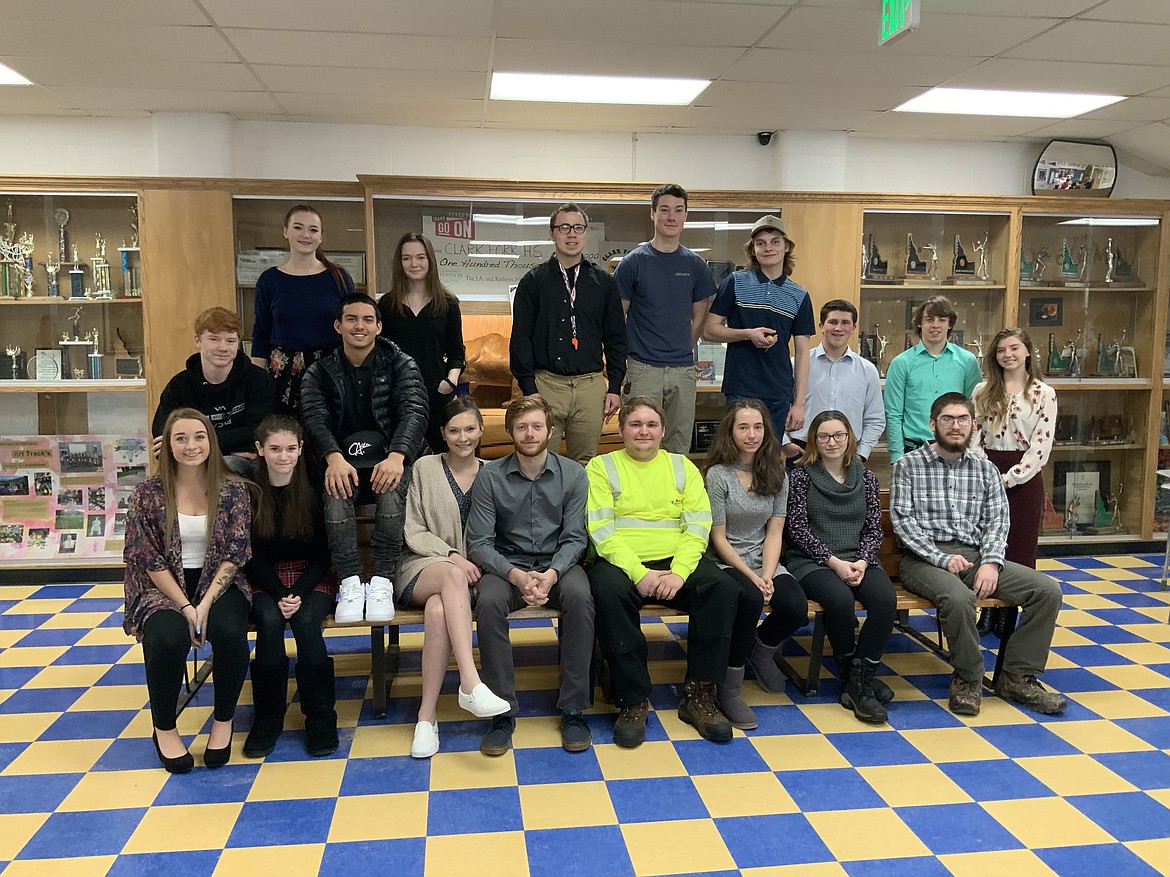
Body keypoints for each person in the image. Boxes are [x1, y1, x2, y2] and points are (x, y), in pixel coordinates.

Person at [587, 396, 754, 748]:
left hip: (676, 560)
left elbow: (698, 526)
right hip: (622, 563)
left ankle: (700, 695)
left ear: (663, 430)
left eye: (651, 425)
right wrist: (639, 573)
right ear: (621, 429)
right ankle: (632, 700)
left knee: (722, 589)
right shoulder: (601, 467)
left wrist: (679, 572)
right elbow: (601, 530)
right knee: (606, 591)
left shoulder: (683, 467)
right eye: (635, 424)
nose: (643, 431)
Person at [891, 392, 1067, 717]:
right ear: (933, 424)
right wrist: (941, 558)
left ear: (974, 425)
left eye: (962, 419)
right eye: (947, 419)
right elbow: (904, 523)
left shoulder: (985, 470)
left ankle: (1016, 677)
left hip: (974, 556)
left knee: (1046, 591)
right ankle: (969, 677)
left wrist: (991, 562)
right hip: (923, 560)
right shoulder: (908, 466)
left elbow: (998, 520)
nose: (955, 426)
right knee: (958, 598)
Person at [122, 408, 251, 773]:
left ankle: (223, 721)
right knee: (167, 636)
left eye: (198, 437)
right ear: (167, 445)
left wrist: (204, 604)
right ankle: (164, 727)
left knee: (230, 631)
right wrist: (185, 607)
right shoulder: (146, 494)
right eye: (180, 438)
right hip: (161, 586)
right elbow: (147, 558)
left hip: (218, 583)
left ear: (211, 441)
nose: (191, 445)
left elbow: (236, 553)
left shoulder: (234, 491)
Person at [467, 397, 594, 755]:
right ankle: (501, 710)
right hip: (507, 564)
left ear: (550, 431)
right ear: (510, 431)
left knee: (581, 598)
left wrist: (551, 574)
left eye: (537, 426)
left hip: (559, 564)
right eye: (521, 427)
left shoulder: (574, 474)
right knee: (488, 602)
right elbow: (479, 542)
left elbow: (575, 538)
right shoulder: (490, 476)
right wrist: (516, 576)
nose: (529, 433)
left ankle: (573, 708)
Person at [300, 293, 429, 625]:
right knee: (335, 493)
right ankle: (350, 582)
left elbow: (415, 412)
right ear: (338, 325)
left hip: (390, 459)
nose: (360, 326)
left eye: (367, 320)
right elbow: (313, 418)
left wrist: (398, 455)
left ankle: (383, 580)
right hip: (342, 463)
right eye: (352, 319)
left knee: (391, 493)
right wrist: (332, 457)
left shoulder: (401, 363)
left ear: (378, 326)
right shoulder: (319, 371)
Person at [396, 396, 509, 759]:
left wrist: (478, 562)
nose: (464, 437)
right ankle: (470, 681)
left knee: (437, 611)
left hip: (475, 574)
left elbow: (503, 532)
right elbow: (413, 528)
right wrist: (453, 556)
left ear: (481, 430)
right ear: (443, 434)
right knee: (451, 577)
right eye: (455, 430)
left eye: (470, 429)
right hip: (423, 564)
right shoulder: (424, 468)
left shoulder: (494, 472)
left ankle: (426, 718)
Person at [701, 400, 809, 728]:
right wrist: (752, 577)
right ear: (730, 432)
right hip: (726, 559)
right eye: (743, 427)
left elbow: (775, 532)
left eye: (758, 427)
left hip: (763, 559)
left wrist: (767, 575)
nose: (752, 434)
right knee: (748, 600)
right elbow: (718, 537)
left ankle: (760, 651)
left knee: (795, 606)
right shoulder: (718, 475)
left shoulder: (776, 472)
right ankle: (730, 688)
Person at [786, 410, 897, 724]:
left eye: (838, 435)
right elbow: (797, 529)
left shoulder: (866, 477)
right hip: (812, 562)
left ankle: (857, 680)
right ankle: (857, 682)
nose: (831, 442)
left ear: (850, 438)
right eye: (823, 436)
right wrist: (834, 563)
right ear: (814, 441)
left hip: (859, 559)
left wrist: (861, 560)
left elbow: (873, 528)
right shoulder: (801, 477)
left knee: (885, 600)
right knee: (839, 600)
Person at [242, 415, 339, 760]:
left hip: (310, 577)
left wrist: (297, 591)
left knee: (306, 621)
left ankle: (321, 718)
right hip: (264, 578)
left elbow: (324, 554)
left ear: (300, 449)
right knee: (269, 622)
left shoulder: (313, 487)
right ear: (260, 449)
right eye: (275, 449)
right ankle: (267, 719)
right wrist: (280, 594)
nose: (283, 456)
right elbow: (249, 555)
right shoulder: (249, 491)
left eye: (290, 448)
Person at [510, 203, 629, 464]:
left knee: (585, 465)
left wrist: (615, 387)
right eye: (564, 227)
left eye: (578, 228)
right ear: (552, 233)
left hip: (590, 387)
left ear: (586, 233)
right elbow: (521, 339)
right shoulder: (533, 282)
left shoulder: (604, 283)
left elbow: (616, 339)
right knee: (539, 461)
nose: (571, 234)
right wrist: (529, 389)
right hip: (546, 385)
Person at [614, 183, 715, 454]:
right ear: (653, 213)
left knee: (678, 446)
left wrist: (681, 347)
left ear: (686, 215)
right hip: (642, 369)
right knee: (640, 444)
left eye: (678, 210)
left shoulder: (696, 266)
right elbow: (617, 319)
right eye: (665, 210)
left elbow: (700, 317)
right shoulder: (633, 263)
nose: (672, 217)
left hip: (683, 370)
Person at [973, 328, 1057, 635]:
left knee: (1019, 546)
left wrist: (1010, 478)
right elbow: (974, 436)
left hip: (1024, 477)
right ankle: (987, 608)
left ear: (1027, 352)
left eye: (1014, 348)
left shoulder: (1043, 393)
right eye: (1001, 350)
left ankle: (1007, 613)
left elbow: (1041, 445)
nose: (1007, 355)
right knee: (985, 542)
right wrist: (986, 473)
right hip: (987, 471)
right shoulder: (982, 390)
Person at [703, 215, 814, 437]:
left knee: (771, 454)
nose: (768, 248)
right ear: (753, 249)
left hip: (779, 391)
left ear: (786, 247)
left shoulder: (799, 295)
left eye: (775, 242)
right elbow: (709, 331)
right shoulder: (735, 282)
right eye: (760, 243)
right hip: (740, 388)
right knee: (738, 451)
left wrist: (799, 404)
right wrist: (748, 334)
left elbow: (803, 353)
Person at [251, 204, 356, 417]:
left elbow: (353, 324)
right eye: (298, 227)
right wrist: (255, 377)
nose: (305, 235)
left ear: (321, 236)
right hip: (282, 373)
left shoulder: (338, 277)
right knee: (284, 432)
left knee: (328, 430)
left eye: (313, 229)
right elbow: (261, 330)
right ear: (285, 231)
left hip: (329, 369)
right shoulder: (269, 280)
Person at [152, 307, 275, 476]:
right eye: (214, 339)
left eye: (230, 341)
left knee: (228, 465)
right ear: (197, 340)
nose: (223, 348)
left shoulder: (259, 381)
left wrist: (194, 442)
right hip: (193, 461)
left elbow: (259, 432)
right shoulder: (179, 386)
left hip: (242, 464)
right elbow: (162, 436)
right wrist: (218, 448)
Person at [378, 233, 466, 453]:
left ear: (430, 261)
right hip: (397, 394)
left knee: (439, 455)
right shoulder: (386, 305)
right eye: (406, 258)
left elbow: (456, 352)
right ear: (399, 263)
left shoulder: (448, 304)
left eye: (420, 257)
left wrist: (450, 382)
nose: (414, 264)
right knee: (401, 454)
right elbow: (381, 352)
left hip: (436, 394)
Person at [884, 296, 982, 463]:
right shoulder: (901, 363)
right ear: (919, 323)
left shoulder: (968, 361)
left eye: (942, 320)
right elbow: (893, 414)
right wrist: (896, 456)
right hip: (913, 450)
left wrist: (972, 450)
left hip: (956, 449)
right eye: (929, 319)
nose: (935, 325)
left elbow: (974, 411)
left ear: (950, 324)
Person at [784, 300, 885, 462]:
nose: (838, 328)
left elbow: (875, 418)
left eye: (845, 322)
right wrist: (784, 443)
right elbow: (777, 407)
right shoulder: (796, 365)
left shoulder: (867, 370)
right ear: (821, 326)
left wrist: (862, 454)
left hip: (848, 454)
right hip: (803, 451)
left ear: (853, 328)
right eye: (832, 322)